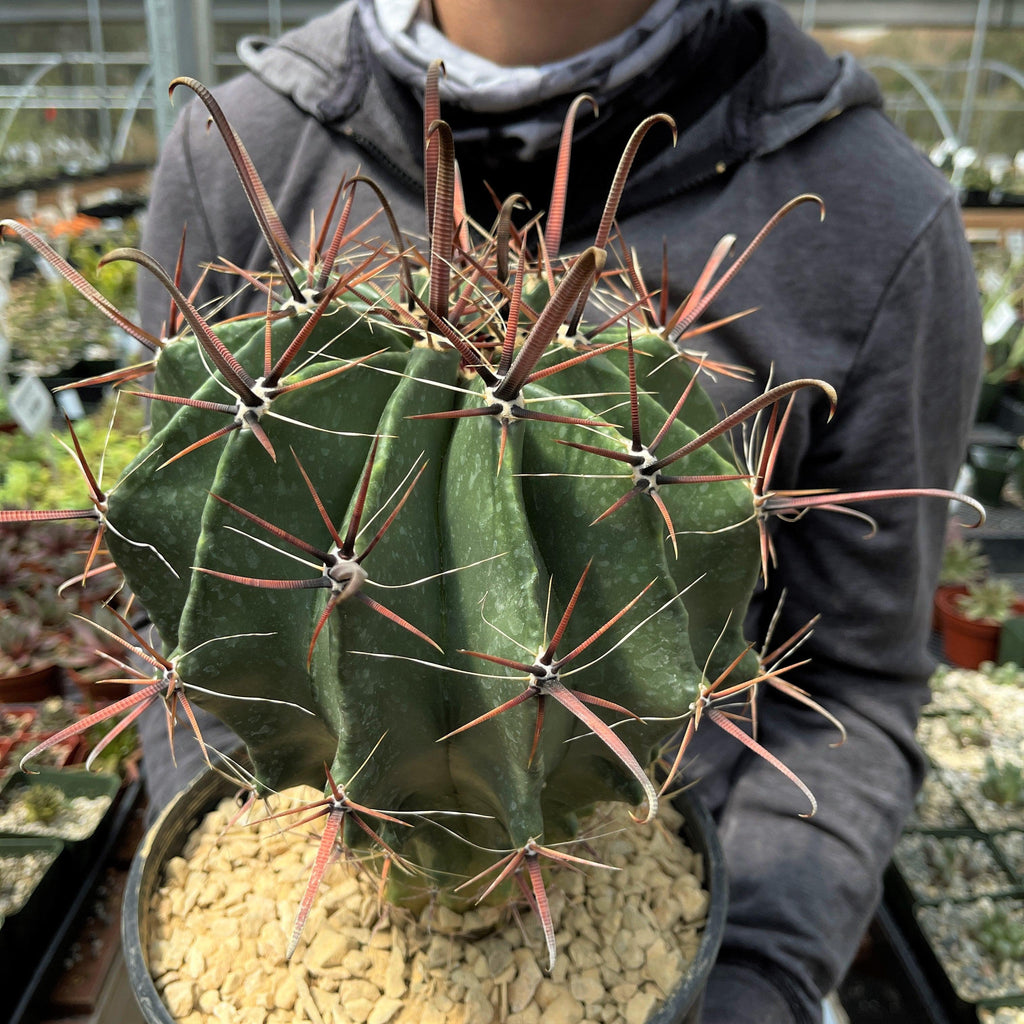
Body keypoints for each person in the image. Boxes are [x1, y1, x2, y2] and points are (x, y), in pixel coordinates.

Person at [135, 2, 982, 1022]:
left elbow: (851, 678)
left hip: (656, 864)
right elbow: (181, 602)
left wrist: (752, 980)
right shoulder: (240, 156)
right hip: (297, 903)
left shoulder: (872, 213)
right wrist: (213, 831)